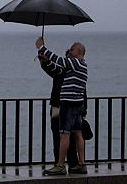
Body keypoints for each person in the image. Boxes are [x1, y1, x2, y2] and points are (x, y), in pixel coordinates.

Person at [35, 37, 88, 175]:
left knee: (63, 135)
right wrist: (45, 62)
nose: (69, 51)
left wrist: (41, 48)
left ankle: (60, 165)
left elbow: (59, 61)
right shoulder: (82, 65)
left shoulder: (75, 63)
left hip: (68, 104)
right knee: (77, 134)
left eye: (72, 49)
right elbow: (58, 70)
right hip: (77, 105)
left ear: (79, 51)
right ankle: (81, 164)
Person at [38, 50, 80, 169]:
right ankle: (66, 163)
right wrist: (44, 63)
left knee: (64, 137)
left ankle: (66, 163)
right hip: (60, 108)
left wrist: (44, 59)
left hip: (62, 108)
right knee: (61, 137)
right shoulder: (65, 73)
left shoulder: (68, 73)